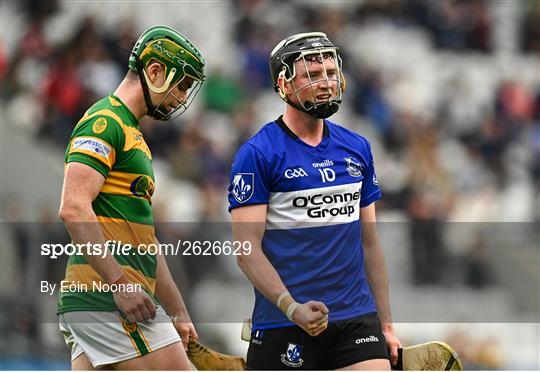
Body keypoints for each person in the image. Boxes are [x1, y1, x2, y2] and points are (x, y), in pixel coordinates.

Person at [228, 32, 401, 370]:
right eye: (311, 75)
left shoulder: (358, 148)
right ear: (284, 84)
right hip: (283, 322)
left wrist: (386, 324)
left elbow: (370, 244)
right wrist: (292, 308)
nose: (325, 83)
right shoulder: (258, 153)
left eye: (330, 73)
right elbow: (246, 249)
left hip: (355, 318)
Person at [57, 25, 205, 370]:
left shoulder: (133, 134)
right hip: (110, 299)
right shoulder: (103, 121)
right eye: (181, 85)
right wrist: (119, 283)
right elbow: (73, 208)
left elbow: (146, 240)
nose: (182, 98)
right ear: (154, 71)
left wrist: (178, 310)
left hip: (102, 299)